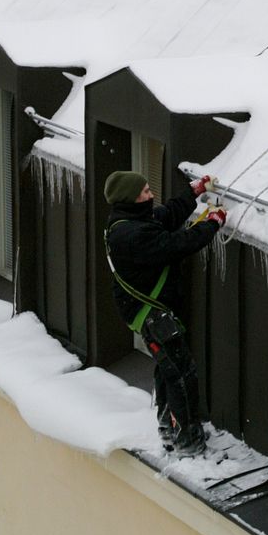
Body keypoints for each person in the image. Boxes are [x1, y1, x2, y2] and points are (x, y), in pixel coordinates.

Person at [103, 170, 226, 456]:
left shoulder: (131, 220)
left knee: (167, 367)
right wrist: (212, 224)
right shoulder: (132, 234)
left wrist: (193, 192)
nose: (151, 195)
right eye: (145, 192)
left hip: (149, 310)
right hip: (150, 314)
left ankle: (167, 427)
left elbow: (167, 215)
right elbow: (177, 244)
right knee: (181, 373)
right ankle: (187, 442)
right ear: (130, 199)